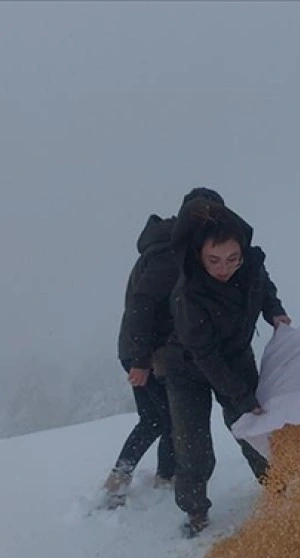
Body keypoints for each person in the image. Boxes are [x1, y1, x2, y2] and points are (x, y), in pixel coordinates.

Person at [159, 197, 291, 537]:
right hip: (188, 368)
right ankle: (195, 510)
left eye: (233, 258)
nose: (224, 268)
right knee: (193, 445)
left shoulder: (250, 266)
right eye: (214, 260)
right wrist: (243, 395)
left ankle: (276, 487)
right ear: (199, 256)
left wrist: (274, 311)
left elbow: (264, 288)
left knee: (253, 428)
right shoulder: (188, 293)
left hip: (235, 354)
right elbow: (206, 357)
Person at [102, 187, 226, 509]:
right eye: (204, 217)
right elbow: (142, 305)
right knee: (159, 418)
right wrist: (141, 359)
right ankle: (121, 479)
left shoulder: (175, 245)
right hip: (143, 351)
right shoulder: (170, 253)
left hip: (146, 349)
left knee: (165, 416)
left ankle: (163, 478)